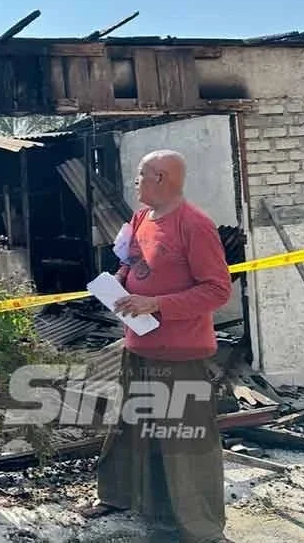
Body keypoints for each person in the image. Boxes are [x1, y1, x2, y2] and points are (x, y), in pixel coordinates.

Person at [80, 149, 233, 543]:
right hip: (139, 344)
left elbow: (217, 291)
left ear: (162, 178)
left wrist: (156, 304)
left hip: (181, 351)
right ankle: (118, 496)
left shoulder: (195, 226)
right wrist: (117, 285)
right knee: (131, 425)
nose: (136, 181)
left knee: (186, 437)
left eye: (142, 175)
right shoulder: (141, 218)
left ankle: (200, 526)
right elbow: (132, 263)